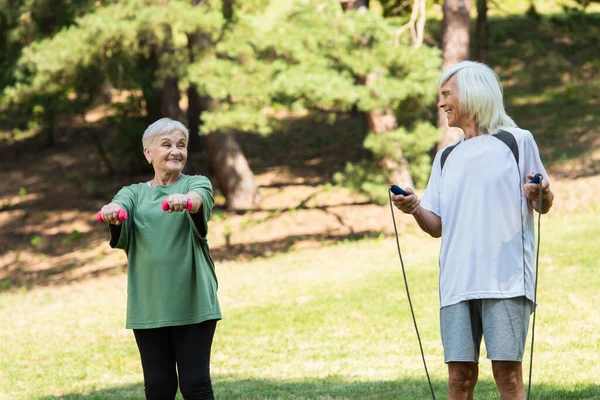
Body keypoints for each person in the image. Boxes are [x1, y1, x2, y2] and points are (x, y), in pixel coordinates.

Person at [392, 61, 554, 400]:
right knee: (459, 379)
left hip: (506, 281)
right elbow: (436, 226)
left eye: (447, 94)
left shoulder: (517, 141)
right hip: (456, 283)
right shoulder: (445, 157)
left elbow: (543, 203)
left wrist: (542, 193)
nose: (441, 103)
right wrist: (416, 208)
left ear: (473, 93)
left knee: (507, 377)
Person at [99, 118, 221, 400]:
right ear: (147, 152)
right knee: (158, 386)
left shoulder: (195, 183)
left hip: (193, 301)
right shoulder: (134, 193)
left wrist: (186, 201)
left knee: (196, 384)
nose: (175, 151)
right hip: (149, 305)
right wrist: (113, 210)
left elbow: (199, 197)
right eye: (166, 145)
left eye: (181, 145)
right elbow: (121, 204)